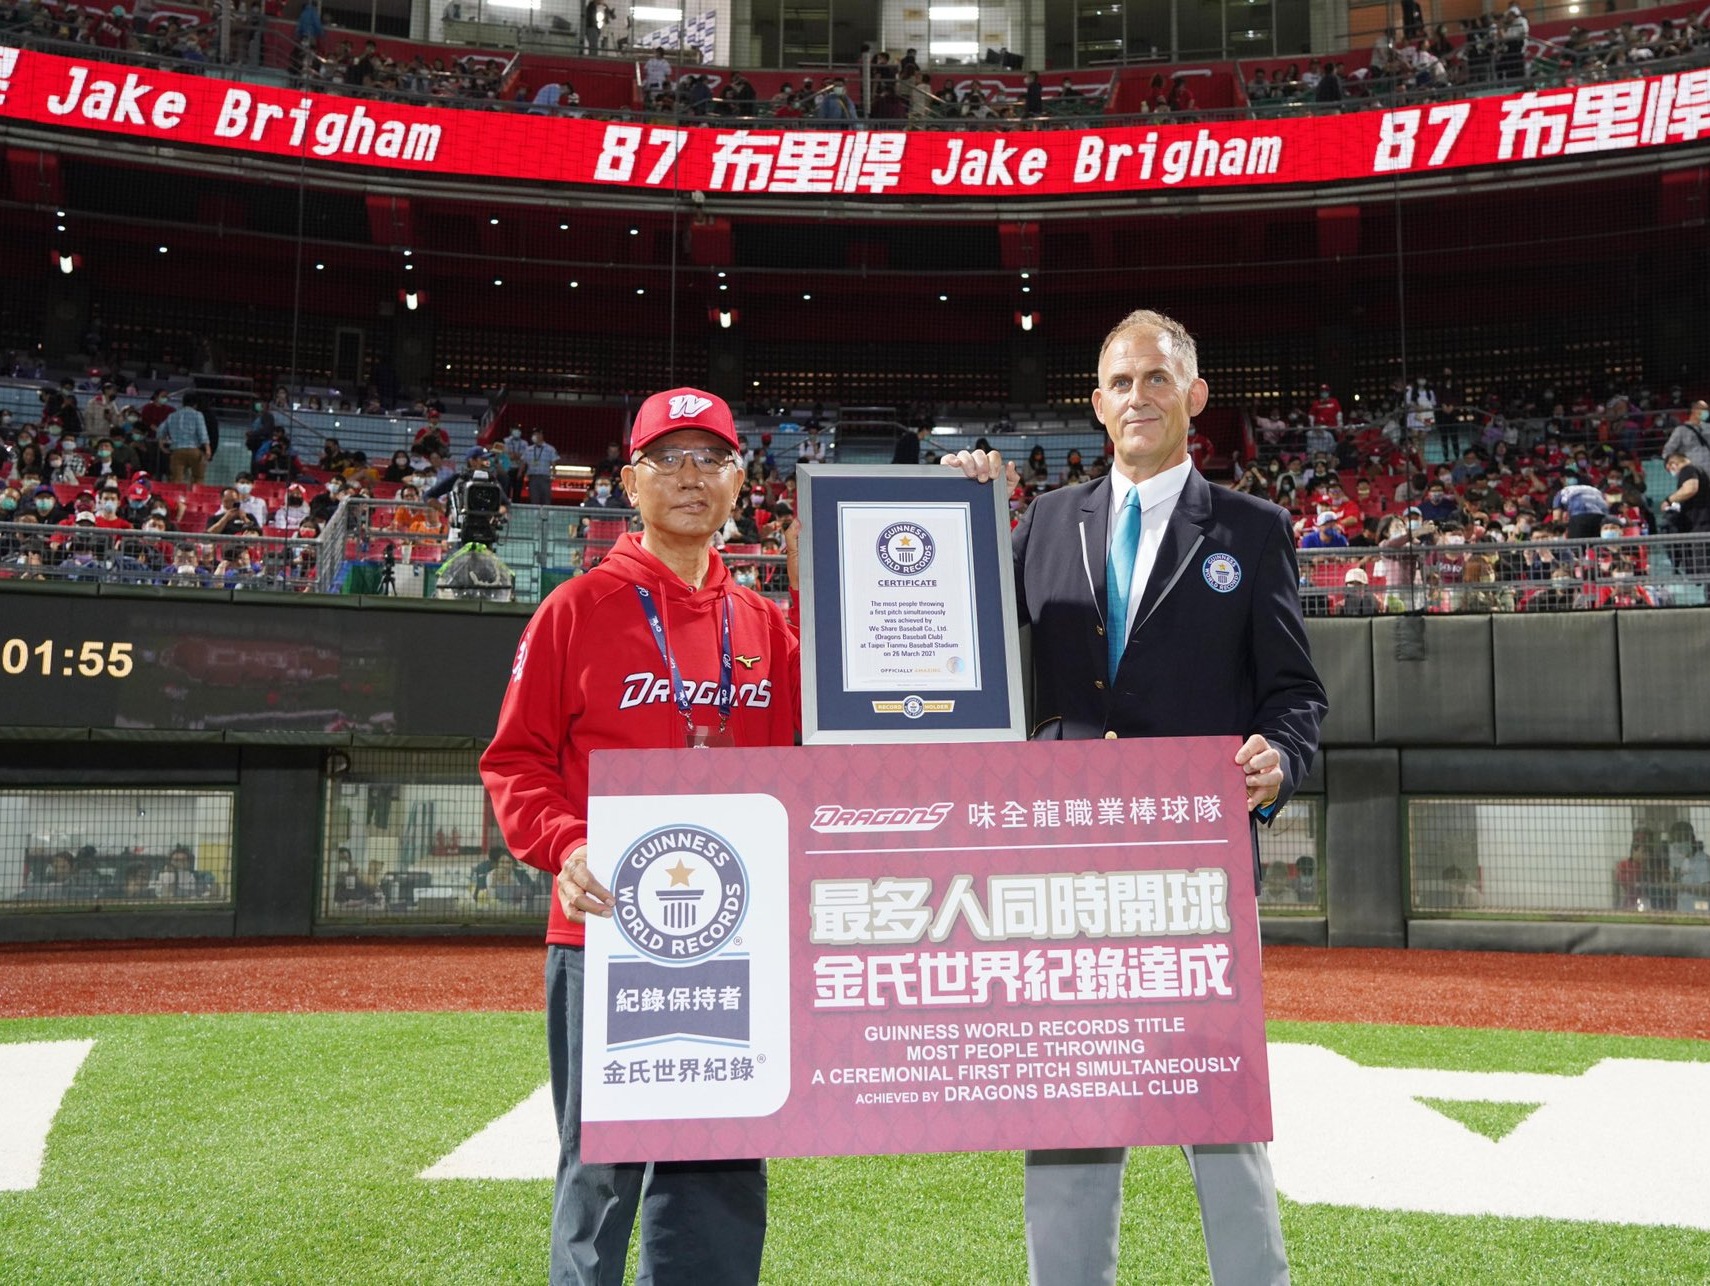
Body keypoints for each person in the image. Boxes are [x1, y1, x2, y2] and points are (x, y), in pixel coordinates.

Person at [944, 308, 1325, 1286]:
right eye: (1120, 381)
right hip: (1064, 864)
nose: (1138, 397)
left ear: (1195, 398)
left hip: (1193, 866)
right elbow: (968, 655)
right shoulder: (1044, 525)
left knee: (1220, 1110)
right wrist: (965, 520)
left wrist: (1279, 757)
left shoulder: (1253, 529)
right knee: (1067, 1108)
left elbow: (1295, 695)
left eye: (1158, 379)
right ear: (1097, 402)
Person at [480, 387, 802, 1286]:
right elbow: (516, 763)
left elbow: (839, 743)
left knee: (721, 1175)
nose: (691, 476)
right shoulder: (575, 610)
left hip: (735, 940)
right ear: (631, 481)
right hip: (608, 936)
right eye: (669, 458)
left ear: (742, 479)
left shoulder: (767, 627)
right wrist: (568, 846)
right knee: (601, 1177)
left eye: (712, 458)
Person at [521, 429, 559, 506]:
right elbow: (523, 463)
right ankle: (534, 516)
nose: (534, 437)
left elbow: (554, 463)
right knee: (534, 499)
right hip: (533, 478)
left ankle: (545, 516)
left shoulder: (550, 449)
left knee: (546, 498)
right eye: (533, 435)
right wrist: (520, 474)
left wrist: (554, 475)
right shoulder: (528, 449)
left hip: (545, 477)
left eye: (536, 435)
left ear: (541, 435)